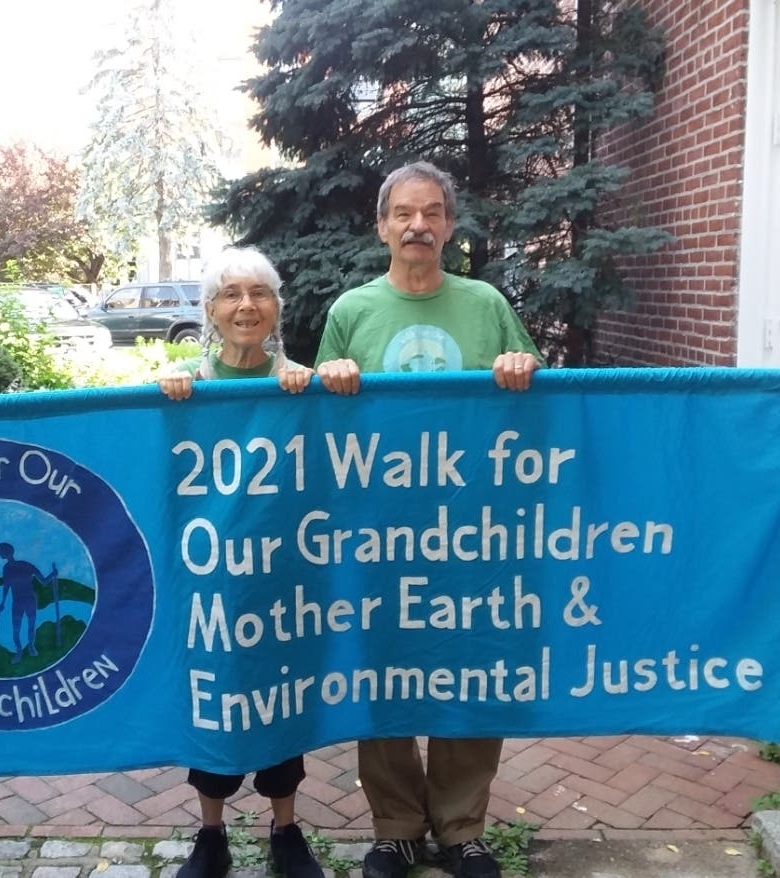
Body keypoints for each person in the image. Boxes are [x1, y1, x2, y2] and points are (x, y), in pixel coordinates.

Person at [314, 161, 543, 878]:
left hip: (472, 529)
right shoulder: (350, 312)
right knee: (379, 677)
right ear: (382, 226)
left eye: (432, 212)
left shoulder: (484, 304)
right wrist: (331, 380)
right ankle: (395, 829)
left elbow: (540, 402)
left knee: (470, 674)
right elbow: (315, 421)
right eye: (403, 214)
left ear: (448, 225)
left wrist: (519, 366)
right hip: (377, 528)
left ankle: (461, 828)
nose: (418, 225)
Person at [158, 246, 322, 878]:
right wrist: (171, 394)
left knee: (282, 696)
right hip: (212, 580)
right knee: (217, 698)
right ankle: (211, 835)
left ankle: (286, 831)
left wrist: (314, 388)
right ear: (210, 310)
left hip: (285, 572)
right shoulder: (187, 389)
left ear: (277, 307)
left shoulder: (299, 383)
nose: (246, 305)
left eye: (259, 293)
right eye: (231, 294)